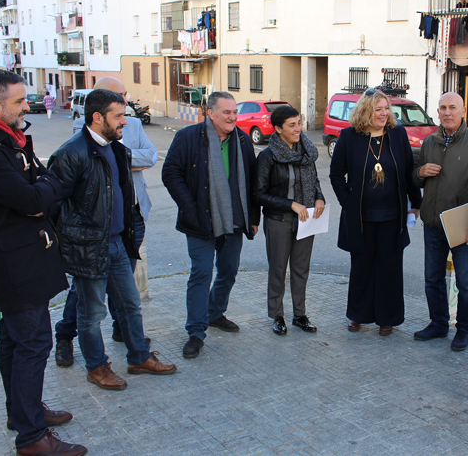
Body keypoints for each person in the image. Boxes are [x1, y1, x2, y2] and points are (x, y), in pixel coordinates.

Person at [0, 70, 86, 455]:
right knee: (33, 342)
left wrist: (42, 187)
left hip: (25, 257)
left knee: (16, 339)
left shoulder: (6, 139)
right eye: (20, 101)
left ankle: (22, 412)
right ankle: (31, 437)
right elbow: (34, 198)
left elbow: (43, 182)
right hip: (15, 265)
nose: (29, 106)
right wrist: (43, 189)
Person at [48, 89, 176, 391]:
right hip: (89, 249)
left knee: (130, 305)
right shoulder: (71, 153)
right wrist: (73, 245)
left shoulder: (117, 148)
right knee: (92, 314)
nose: (125, 121)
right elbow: (53, 206)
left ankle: (139, 358)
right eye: (118, 116)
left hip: (118, 243)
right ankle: (96, 367)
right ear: (97, 117)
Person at [162, 91, 260, 359]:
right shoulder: (188, 137)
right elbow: (170, 173)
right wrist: (190, 208)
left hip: (235, 222)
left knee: (228, 270)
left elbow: (251, 181)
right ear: (211, 113)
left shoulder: (241, 139)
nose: (232, 117)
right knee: (201, 273)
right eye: (226, 112)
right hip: (199, 222)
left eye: (234, 112)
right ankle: (195, 331)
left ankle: (215, 312)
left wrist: (253, 217)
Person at [329, 89, 421, 336]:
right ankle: (358, 315)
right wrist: (347, 202)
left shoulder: (398, 134)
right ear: (365, 111)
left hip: (393, 215)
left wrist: (416, 203)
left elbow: (408, 171)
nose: (383, 114)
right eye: (377, 109)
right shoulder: (348, 137)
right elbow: (336, 175)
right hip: (360, 216)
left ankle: (387, 317)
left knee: (390, 267)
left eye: (385, 108)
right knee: (362, 266)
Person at [412, 92, 468, 351]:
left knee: (466, 283)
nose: (447, 112)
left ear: (463, 111)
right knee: (432, 279)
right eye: (442, 108)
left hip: (462, 228)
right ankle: (438, 323)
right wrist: (420, 173)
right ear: (438, 112)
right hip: (434, 225)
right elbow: (415, 179)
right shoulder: (429, 143)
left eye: (452, 108)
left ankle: (464, 329)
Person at [253, 105, 325, 335]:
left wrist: (319, 198)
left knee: (301, 269)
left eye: (299, 123)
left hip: (306, 219)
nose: (298, 129)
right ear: (277, 128)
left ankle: (300, 315)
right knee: (278, 269)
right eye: (291, 125)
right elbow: (258, 194)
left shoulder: (306, 150)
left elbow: (314, 181)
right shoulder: (268, 156)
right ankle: (277, 315)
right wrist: (290, 204)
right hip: (278, 220)